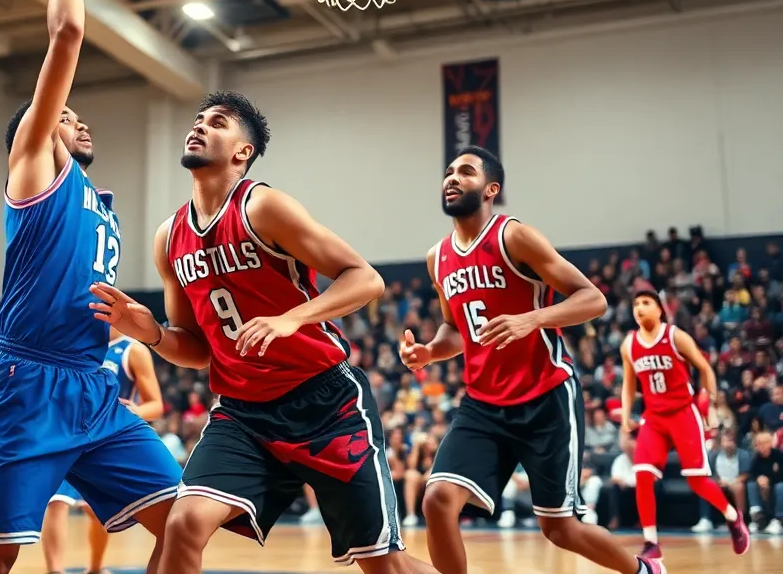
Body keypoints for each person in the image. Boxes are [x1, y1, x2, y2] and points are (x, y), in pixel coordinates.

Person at [90, 91, 436, 574]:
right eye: (198, 119)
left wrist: (293, 317)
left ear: (242, 152)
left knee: (384, 564)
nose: (199, 125)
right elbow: (197, 351)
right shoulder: (169, 237)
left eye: (218, 122)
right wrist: (152, 335)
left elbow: (365, 279)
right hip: (243, 412)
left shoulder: (263, 206)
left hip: (325, 403)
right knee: (183, 524)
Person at [0, 0, 182, 574]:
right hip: (26, 380)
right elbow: (68, 34)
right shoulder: (33, 169)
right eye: (65, 116)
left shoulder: (100, 206)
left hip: (93, 388)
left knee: (183, 524)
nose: (77, 122)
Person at [400, 147, 664, 574]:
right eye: (448, 172)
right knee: (438, 499)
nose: (452, 178)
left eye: (465, 172)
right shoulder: (438, 258)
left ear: (491, 189)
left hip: (545, 395)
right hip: (484, 404)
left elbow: (593, 299)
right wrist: (430, 351)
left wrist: (532, 319)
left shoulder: (513, 237)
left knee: (560, 528)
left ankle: (645, 570)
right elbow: (456, 330)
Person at [620, 282, 749, 558]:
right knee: (642, 475)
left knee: (697, 481)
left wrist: (710, 405)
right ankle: (651, 542)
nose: (639, 308)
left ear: (660, 310)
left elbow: (705, 369)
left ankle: (732, 516)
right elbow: (629, 385)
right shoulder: (628, 344)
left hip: (682, 412)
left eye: (646, 303)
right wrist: (625, 418)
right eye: (635, 304)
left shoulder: (675, 336)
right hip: (654, 417)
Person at [40, 329, 166, 574]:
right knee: (56, 502)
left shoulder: (132, 350)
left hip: (107, 439)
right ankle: (54, 571)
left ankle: (96, 567)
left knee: (94, 509)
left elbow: (156, 405)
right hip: (69, 435)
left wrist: (130, 412)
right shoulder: (72, 343)